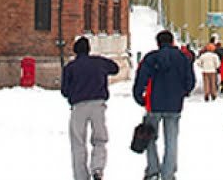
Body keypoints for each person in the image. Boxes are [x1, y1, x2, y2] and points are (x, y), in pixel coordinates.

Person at [133, 30, 195, 180]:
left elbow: (141, 78)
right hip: (174, 104)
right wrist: (183, 92)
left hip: (153, 103)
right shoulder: (182, 58)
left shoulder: (151, 58)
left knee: (149, 136)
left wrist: (138, 95)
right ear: (173, 41)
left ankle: (153, 170)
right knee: (171, 140)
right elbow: (190, 80)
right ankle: (168, 173)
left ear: (158, 43)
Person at [61, 36, 120, 180]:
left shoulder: (70, 67)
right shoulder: (99, 62)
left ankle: (81, 176)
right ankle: (97, 168)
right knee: (100, 139)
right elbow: (115, 68)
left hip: (78, 106)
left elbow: (64, 90)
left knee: (78, 141)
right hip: (98, 104)